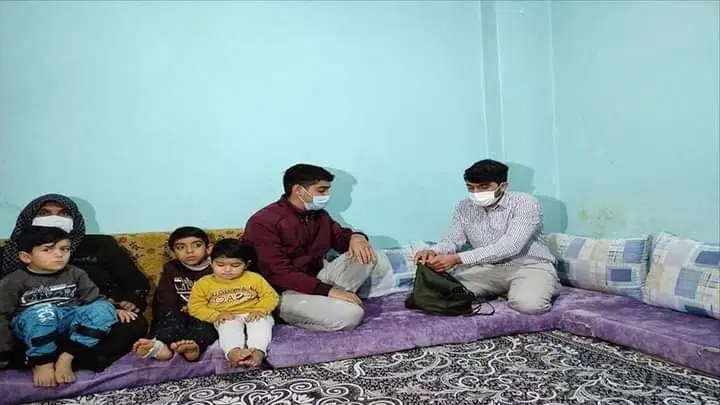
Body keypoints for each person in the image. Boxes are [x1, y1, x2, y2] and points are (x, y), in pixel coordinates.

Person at [0, 194, 149, 370]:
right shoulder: (13, 255)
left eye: (63, 214)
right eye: (45, 213)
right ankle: (56, 359)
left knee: (132, 323)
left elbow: (134, 281)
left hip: (85, 317)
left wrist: (129, 301)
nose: (54, 218)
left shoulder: (101, 245)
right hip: (33, 324)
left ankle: (69, 358)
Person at [243, 164, 377, 332]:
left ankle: (329, 302)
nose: (327, 196)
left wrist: (357, 237)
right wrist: (328, 291)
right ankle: (288, 313)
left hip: (316, 280)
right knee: (352, 315)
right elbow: (277, 273)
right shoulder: (263, 222)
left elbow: (341, 239)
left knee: (365, 254)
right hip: (282, 292)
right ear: (298, 190)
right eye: (321, 191)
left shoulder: (319, 215)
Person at [415, 159, 559, 314]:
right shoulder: (464, 207)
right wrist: (433, 251)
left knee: (529, 306)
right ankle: (505, 290)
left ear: (503, 186)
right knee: (438, 294)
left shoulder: (525, 203)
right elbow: (452, 240)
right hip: (487, 269)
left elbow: (510, 246)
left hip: (528, 267)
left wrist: (457, 259)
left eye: (484, 187)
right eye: (471, 188)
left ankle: (545, 283)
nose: (476, 193)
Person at [0, 226, 136, 387]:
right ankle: (43, 362)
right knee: (44, 313)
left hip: (70, 319)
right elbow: (2, 315)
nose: (59, 254)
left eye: (64, 249)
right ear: (26, 256)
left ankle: (67, 356)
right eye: (47, 250)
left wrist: (113, 309)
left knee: (104, 308)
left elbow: (93, 299)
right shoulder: (13, 281)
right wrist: (4, 351)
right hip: (34, 324)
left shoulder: (76, 273)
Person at [188, 238, 278, 368]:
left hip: (254, 312)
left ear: (246, 264)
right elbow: (195, 307)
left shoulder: (254, 278)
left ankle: (257, 352)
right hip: (226, 316)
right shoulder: (203, 283)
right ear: (210, 262)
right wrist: (216, 315)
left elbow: (270, 296)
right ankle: (233, 352)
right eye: (220, 265)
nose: (227, 270)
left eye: (235, 266)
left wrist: (260, 309)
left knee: (260, 324)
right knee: (228, 327)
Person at [133, 226, 218, 362]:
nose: (189, 251)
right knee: (169, 323)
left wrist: (197, 308)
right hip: (178, 312)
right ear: (173, 252)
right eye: (180, 247)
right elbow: (165, 298)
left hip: (205, 313)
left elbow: (223, 294)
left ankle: (193, 348)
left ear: (209, 248)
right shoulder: (171, 268)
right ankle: (162, 348)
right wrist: (173, 312)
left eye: (197, 245)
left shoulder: (217, 268)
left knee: (205, 328)